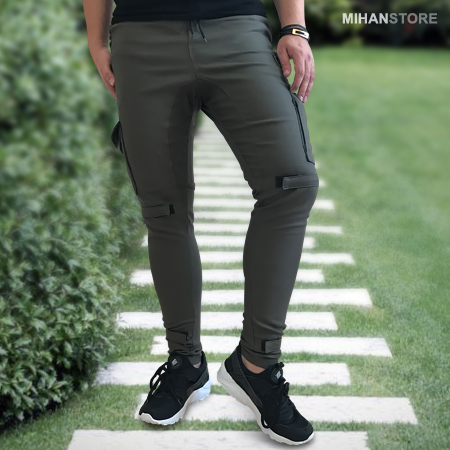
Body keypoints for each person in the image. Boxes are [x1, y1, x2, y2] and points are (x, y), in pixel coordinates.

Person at [83, 0, 319, 445]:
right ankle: (186, 363)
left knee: (292, 183)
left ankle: (257, 364)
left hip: (238, 28)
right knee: (164, 208)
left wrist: (294, 27)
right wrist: (96, 42)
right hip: (142, 38)